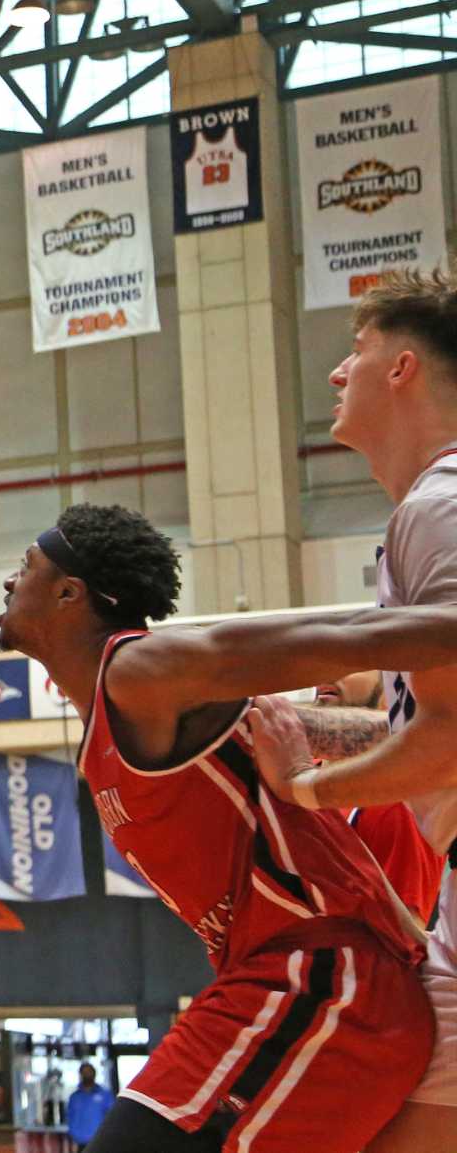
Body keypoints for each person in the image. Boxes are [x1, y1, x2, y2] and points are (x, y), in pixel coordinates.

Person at [0, 504, 453, 1153]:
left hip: (321, 980)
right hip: (284, 984)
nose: (10, 583)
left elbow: (340, 636)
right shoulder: (133, 711)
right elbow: (370, 733)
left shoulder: (138, 671)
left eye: (25, 568)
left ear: (70, 593)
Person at [245, 269, 457, 1152]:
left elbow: (449, 740)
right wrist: (300, 731)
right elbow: (425, 725)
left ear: (403, 368)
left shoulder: (442, 504)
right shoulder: (424, 511)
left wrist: (304, 790)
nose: (339, 373)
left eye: (358, 351)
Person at [305, 674, 442, 926]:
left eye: (350, 660)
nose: (326, 672)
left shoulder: (395, 803)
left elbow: (400, 948)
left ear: (389, 689)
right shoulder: (289, 776)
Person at [64, 1066, 112, 1151]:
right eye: (84, 1072)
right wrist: (74, 1135)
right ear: (80, 1074)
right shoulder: (74, 1097)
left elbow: (112, 1117)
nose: (87, 1075)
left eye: (89, 1072)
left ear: (94, 1074)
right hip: (80, 1143)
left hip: (100, 1142)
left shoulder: (105, 1095)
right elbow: (69, 1117)